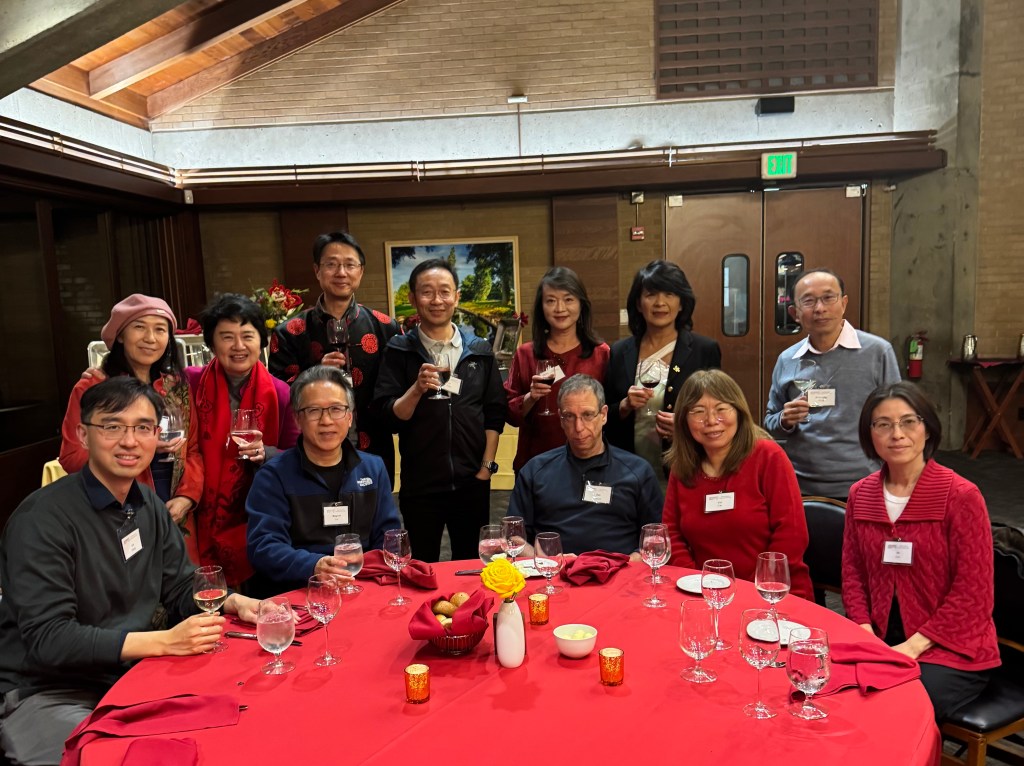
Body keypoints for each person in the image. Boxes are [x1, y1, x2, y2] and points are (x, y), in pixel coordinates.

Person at [0, 377, 259, 766]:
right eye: (112, 426)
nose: (129, 441)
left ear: (157, 436)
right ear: (83, 435)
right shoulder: (42, 520)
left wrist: (234, 602)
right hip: (45, 690)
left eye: (142, 428)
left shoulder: (146, 505)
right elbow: (50, 639)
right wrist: (164, 642)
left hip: (128, 676)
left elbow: (179, 586)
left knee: (230, 727)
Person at [842, 382, 1000, 721]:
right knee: (830, 690)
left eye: (908, 422)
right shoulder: (861, 494)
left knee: (895, 709)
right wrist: (863, 630)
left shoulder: (960, 496)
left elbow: (973, 595)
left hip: (950, 646)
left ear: (927, 429)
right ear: (870, 434)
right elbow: (853, 573)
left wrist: (911, 647)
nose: (896, 434)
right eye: (883, 424)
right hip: (880, 637)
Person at [374, 258, 506, 562]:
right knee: (423, 565)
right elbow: (389, 416)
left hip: (472, 482)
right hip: (420, 485)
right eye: (427, 292)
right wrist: (416, 389)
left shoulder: (480, 350)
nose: (437, 300)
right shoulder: (399, 350)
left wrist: (486, 469)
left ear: (456, 297)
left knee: (471, 564)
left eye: (445, 292)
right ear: (412, 298)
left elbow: (494, 413)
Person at [58, 294, 202, 553]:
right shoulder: (94, 387)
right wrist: (137, 448)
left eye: (160, 330)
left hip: (176, 509)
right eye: (139, 327)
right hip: (118, 509)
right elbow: (71, 457)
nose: (150, 338)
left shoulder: (177, 387)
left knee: (181, 575)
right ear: (121, 335)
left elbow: (192, 449)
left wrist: (187, 497)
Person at [247, 366, 400, 595]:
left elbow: (389, 539)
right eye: (314, 411)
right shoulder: (273, 476)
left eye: (336, 409)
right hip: (301, 593)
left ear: (350, 417)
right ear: (297, 419)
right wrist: (314, 565)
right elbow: (263, 547)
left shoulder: (373, 468)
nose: (326, 420)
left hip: (362, 588)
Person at [663, 369, 814, 599]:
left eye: (721, 409)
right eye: (698, 411)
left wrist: (749, 588)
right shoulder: (682, 466)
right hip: (704, 593)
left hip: (773, 592)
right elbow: (671, 533)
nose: (711, 421)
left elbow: (792, 534)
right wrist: (696, 582)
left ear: (739, 411)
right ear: (684, 419)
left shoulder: (768, 456)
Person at [187, 293, 301, 587]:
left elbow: (297, 456)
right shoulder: (190, 383)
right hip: (198, 511)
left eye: (247, 336)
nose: (238, 346)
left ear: (261, 341)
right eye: (227, 337)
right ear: (212, 344)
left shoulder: (281, 393)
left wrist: (267, 452)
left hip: (258, 514)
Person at [269, 231, 401, 481]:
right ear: (317, 271)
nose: (341, 272)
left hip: (373, 448)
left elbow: (395, 389)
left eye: (349, 265)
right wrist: (314, 374)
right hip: (310, 452)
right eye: (331, 264)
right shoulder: (290, 332)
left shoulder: (385, 327)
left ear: (361, 271)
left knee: (374, 504)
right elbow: (278, 395)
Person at [764, 268, 901, 499]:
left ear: (843, 303)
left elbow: (898, 417)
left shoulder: (877, 352)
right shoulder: (788, 360)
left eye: (828, 297)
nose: (819, 308)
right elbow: (770, 422)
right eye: (808, 301)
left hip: (865, 482)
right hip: (799, 484)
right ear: (795, 312)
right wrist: (784, 420)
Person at [509, 374, 663, 558]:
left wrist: (629, 564)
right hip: (554, 571)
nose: (579, 427)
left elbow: (657, 537)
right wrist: (543, 561)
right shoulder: (535, 471)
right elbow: (513, 536)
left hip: (620, 571)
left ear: (603, 415)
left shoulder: (638, 471)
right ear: (560, 419)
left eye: (587, 415)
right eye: (569, 416)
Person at [605, 260, 721, 483]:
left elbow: (719, 412)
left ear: (682, 303)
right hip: (627, 471)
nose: (660, 303)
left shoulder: (704, 350)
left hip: (686, 468)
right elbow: (602, 413)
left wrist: (686, 425)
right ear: (638, 304)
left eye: (669, 294)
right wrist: (624, 406)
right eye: (651, 295)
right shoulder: (619, 352)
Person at [504, 267, 610, 471]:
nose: (560, 308)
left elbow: (609, 411)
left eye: (568, 299)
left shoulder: (601, 354)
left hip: (590, 463)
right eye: (551, 301)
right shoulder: (525, 354)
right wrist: (531, 397)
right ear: (541, 307)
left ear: (581, 304)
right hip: (536, 463)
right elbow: (509, 414)